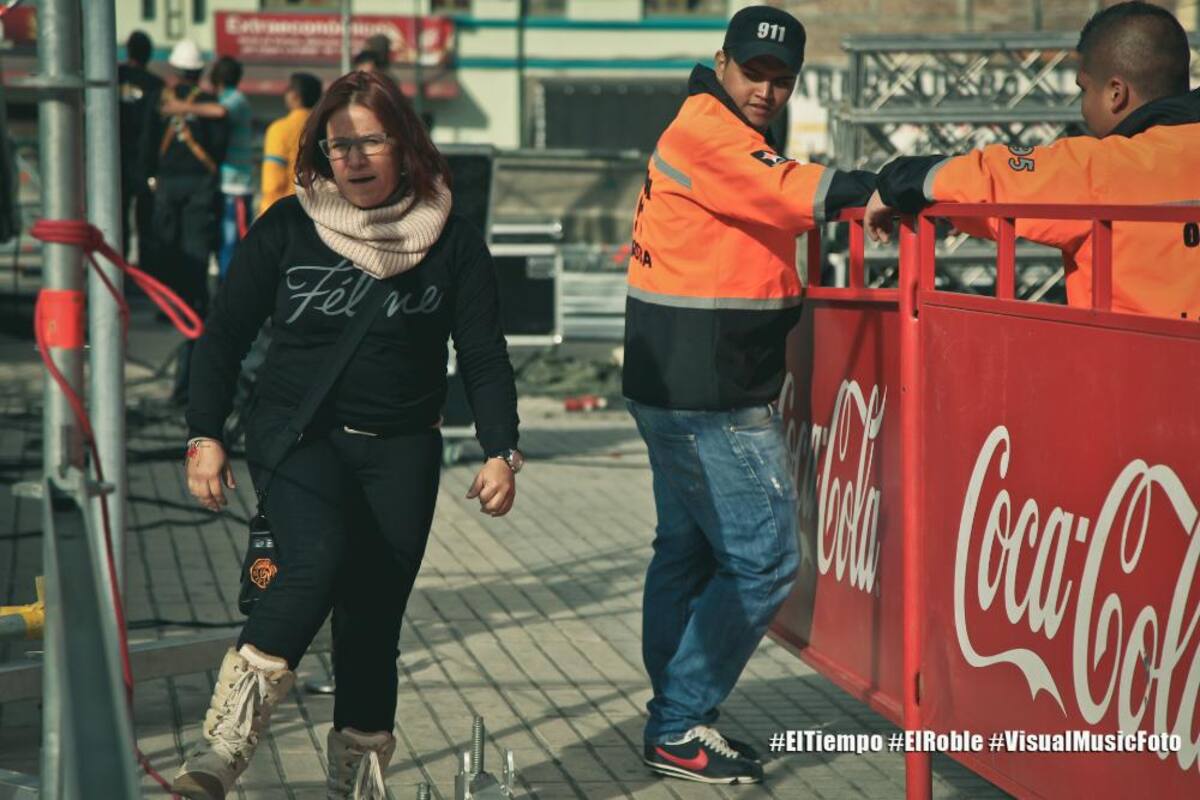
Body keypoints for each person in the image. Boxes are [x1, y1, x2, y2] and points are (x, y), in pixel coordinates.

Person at [175, 70, 522, 800]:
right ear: (321, 152)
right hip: (300, 434)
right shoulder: (289, 226)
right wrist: (204, 434)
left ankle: (356, 781)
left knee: (372, 616)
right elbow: (223, 335)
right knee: (318, 558)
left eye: (371, 141)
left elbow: (484, 354)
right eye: (339, 145)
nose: (354, 159)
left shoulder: (452, 241)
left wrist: (501, 449)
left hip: (403, 447)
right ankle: (223, 749)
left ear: (406, 144)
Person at [622, 5, 875, 786]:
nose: (765, 90)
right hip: (710, 392)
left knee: (686, 552)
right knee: (765, 560)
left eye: (781, 80)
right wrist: (883, 188)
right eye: (753, 73)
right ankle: (678, 723)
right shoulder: (711, 132)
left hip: (679, 381)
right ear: (722, 63)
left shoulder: (714, 129)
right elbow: (792, 191)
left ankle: (676, 715)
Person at [865, 1, 1200, 320]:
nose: (1082, 107)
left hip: (1132, 358)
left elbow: (994, 178)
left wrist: (900, 179)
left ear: (1116, 93)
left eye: (1084, 90)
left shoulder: (1103, 167)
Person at [147, 40, 229, 403]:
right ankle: (190, 308)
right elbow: (219, 145)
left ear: (175, 69)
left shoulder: (162, 101)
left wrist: (150, 179)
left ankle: (172, 305)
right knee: (196, 271)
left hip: (166, 188)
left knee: (168, 258)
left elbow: (147, 143)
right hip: (200, 190)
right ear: (199, 71)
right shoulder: (208, 103)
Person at [117, 30, 164, 265]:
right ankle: (146, 267)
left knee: (116, 215)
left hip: (115, 158)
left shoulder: (114, 77)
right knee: (146, 219)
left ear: (128, 51)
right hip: (146, 159)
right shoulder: (156, 85)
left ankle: (119, 264)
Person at [260, 72, 322, 215]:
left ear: (295, 95)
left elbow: (273, 183)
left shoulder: (279, 129)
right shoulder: (323, 129)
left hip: (285, 211)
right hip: (318, 209)